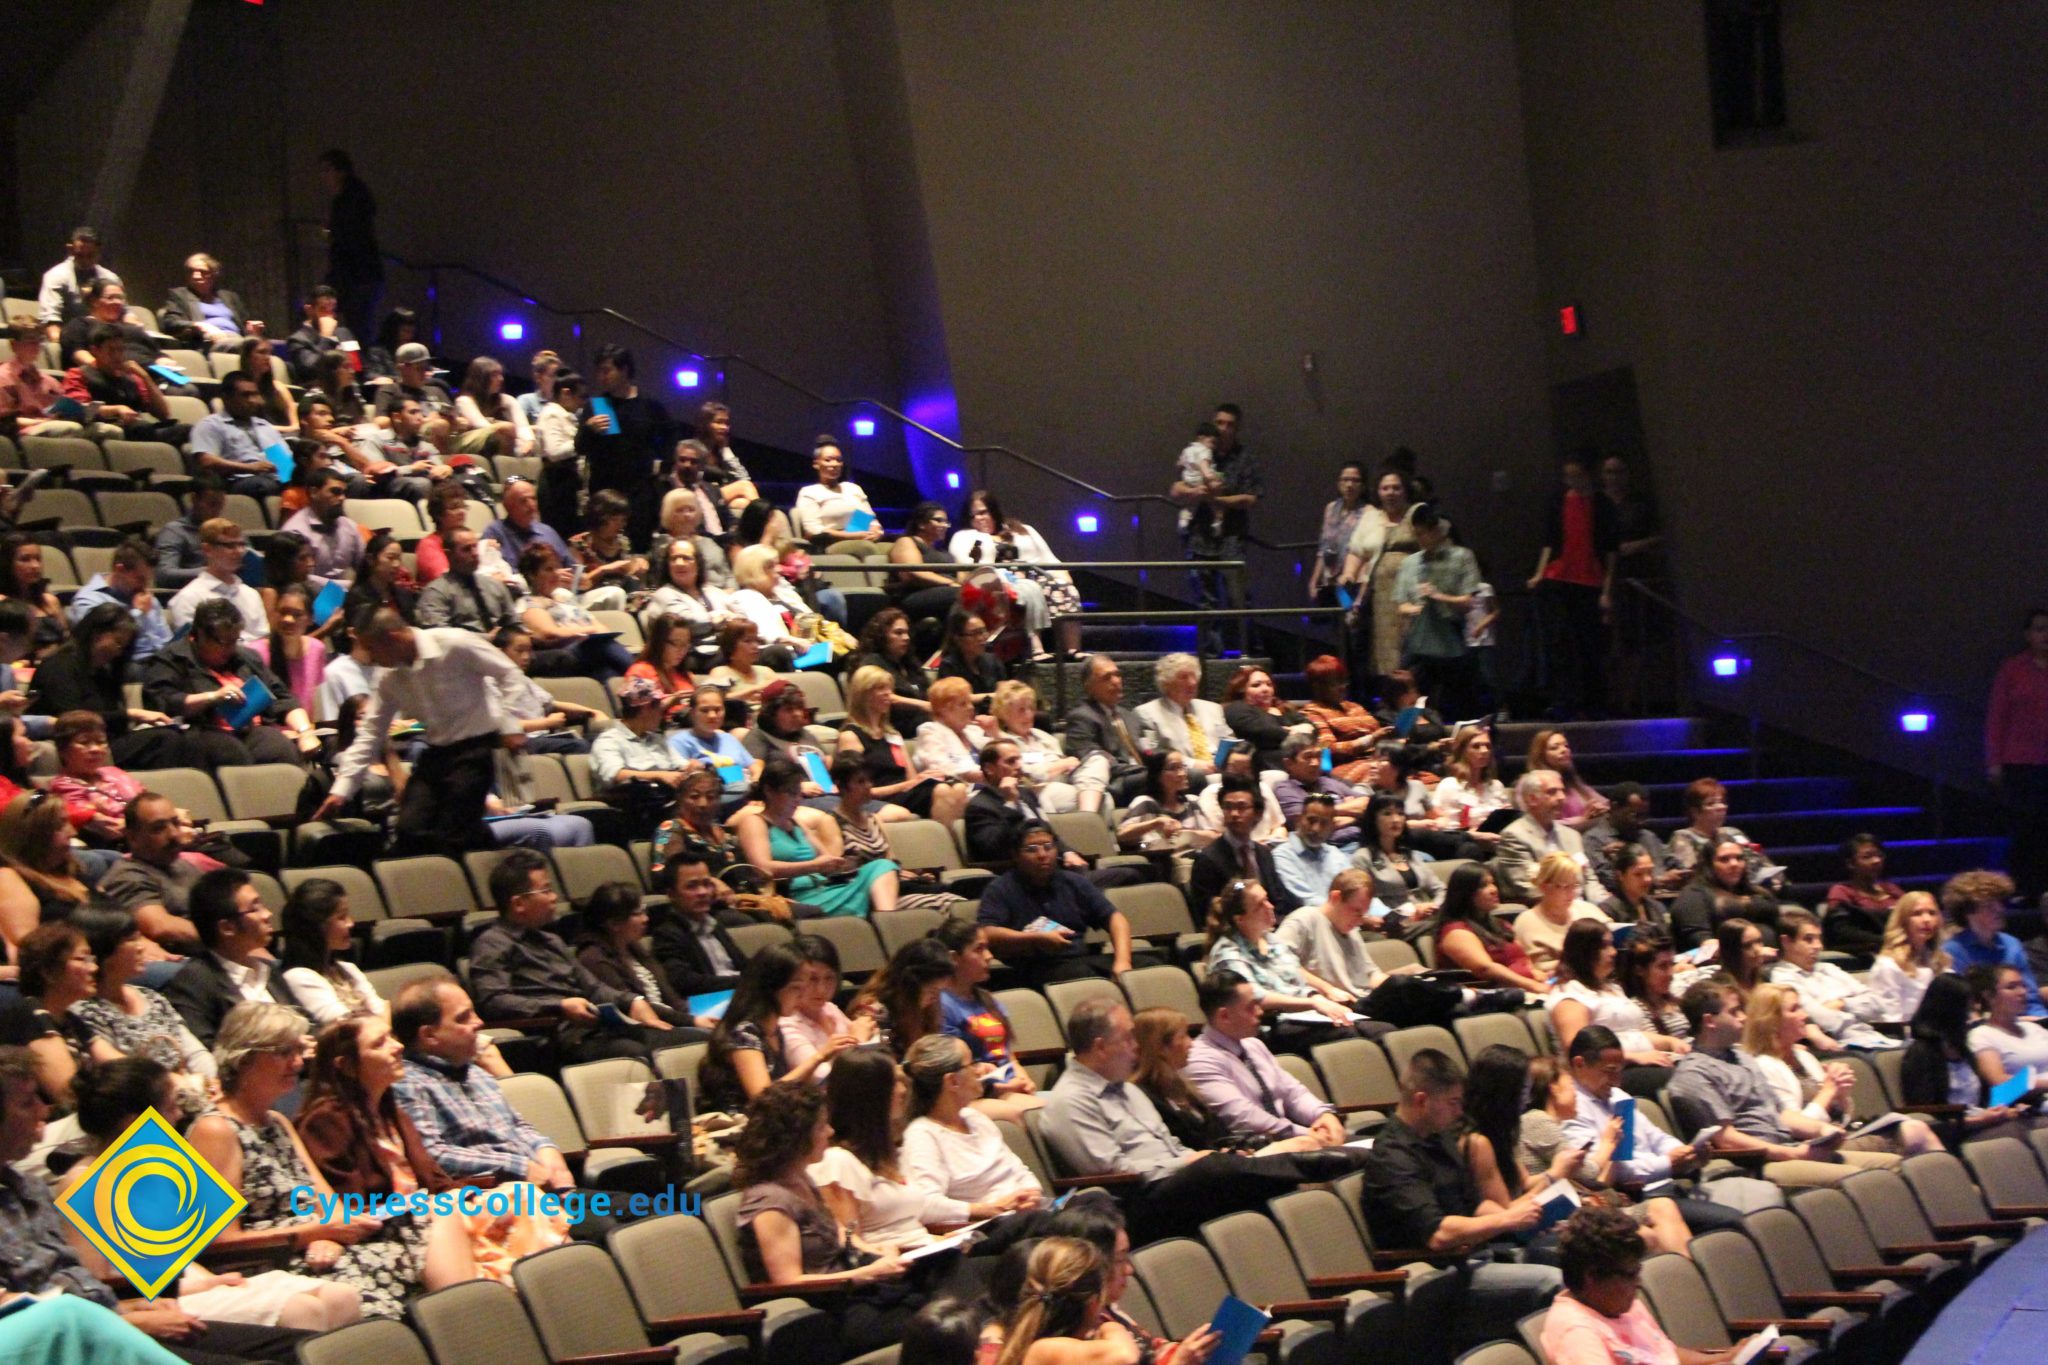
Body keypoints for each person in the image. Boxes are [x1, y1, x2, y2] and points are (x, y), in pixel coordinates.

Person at [185, 1001, 431, 1323]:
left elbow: (330, 1206)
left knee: (429, 1236)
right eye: (284, 1052)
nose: (298, 1062)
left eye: (298, 1050)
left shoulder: (277, 1122)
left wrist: (330, 1235)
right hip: (269, 1264)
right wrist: (314, 1233)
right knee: (381, 1293)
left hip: (315, 1250)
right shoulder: (215, 1130)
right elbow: (218, 1242)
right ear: (245, 1059)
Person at [1042, 997, 1343, 1244]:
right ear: (1100, 1047)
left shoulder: (1128, 1089)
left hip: (1176, 1182)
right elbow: (1111, 1172)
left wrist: (1193, 1159)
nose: (1136, 1045)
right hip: (1135, 1202)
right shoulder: (1069, 1101)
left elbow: (1171, 1145)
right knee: (1218, 1168)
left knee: (1231, 1169)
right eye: (1127, 1038)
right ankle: (1318, 1165)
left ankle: (1312, 1173)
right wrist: (1188, 1163)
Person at [299, 1015, 567, 1287]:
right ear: (346, 1066)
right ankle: (526, 1289)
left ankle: (547, 1287)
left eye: (392, 1037)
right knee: (513, 1202)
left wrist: (466, 1195)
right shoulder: (327, 1120)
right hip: (397, 1225)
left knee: (521, 1194)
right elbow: (349, 1205)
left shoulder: (392, 1111)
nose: (397, 1046)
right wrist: (429, 1205)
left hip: (430, 1211)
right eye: (379, 1044)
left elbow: (436, 1181)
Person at [1358, 1048, 1561, 1360]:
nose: (1459, 1111)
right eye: (1453, 1103)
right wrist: (1508, 1220)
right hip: (1436, 1278)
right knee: (1552, 1283)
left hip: (1475, 1258)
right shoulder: (1393, 1157)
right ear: (1422, 1100)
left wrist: (1527, 1214)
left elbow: (1475, 1205)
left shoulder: (1441, 1139)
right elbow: (1438, 1233)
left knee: (1568, 1259)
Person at [314, 608, 535, 857]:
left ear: (394, 637)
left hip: (475, 750)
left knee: (453, 835)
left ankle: (488, 871)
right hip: (436, 753)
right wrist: (341, 790)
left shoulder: (455, 643)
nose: (371, 657)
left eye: (372, 648)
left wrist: (508, 725)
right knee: (409, 830)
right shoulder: (388, 677)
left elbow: (510, 675)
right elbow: (370, 734)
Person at [734, 1082, 919, 1356]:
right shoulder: (769, 1201)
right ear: (797, 1137)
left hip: (854, 1296)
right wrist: (869, 1273)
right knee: (936, 1321)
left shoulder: (801, 1177)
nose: (830, 1133)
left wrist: (875, 1252)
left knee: (948, 1275)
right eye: (821, 1127)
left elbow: (840, 1233)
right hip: (825, 1317)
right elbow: (788, 1282)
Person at [1464, 1044, 1693, 1259]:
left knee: (1662, 1208)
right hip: (1530, 1228)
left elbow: (1528, 1184)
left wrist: (1607, 1150)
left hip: (1548, 1213)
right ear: (1504, 1092)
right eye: (1522, 1089)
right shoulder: (1492, 1137)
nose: (1527, 1095)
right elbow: (1507, 1213)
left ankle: (1697, 1287)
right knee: (1646, 1235)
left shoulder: (1507, 1132)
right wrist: (1560, 1172)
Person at [1667, 983, 1898, 1188]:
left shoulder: (1740, 1057)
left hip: (1790, 1145)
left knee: (1896, 1167)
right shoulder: (1694, 1074)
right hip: (1758, 1164)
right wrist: (1793, 1153)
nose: (1744, 1017)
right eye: (1734, 1012)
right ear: (1710, 1021)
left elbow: (1782, 1114)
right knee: (1867, 1182)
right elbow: (1726, 1139)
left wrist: (1821, 1131)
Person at [469, 849, 679, 1064]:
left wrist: (632, 1000)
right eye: (546, 890)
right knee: (635, 1052)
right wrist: (559, 1006)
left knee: (690, 1039)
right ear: (518, 903)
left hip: (596, 1031)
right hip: (554, 1039)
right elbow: (494, 1001)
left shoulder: (552, 940)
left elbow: (593, 987)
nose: (554, 897)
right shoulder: (492, 944)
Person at [388, 973, 573, 1192]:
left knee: (620, 1208)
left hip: (535, 1188)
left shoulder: (476, 1073)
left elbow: (516, 1126)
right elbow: (434, 1155)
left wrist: (546, 1150)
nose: (479, 1022)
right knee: (607, 1221)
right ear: (429, 1035)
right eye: (463, 1017)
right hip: (489, 1199)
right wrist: (518, 1166)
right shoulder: (408, 1083)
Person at [1542, 1204, 1770, 1365]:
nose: (1638, 1283)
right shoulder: (1575, 1332)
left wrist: (1726, 1357)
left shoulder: (1615, 1304)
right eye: (1630, 1274)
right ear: (1592, 1276)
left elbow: (1665, 1354)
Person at [1744, 984, 1937, 1156]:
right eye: (1795, 1009)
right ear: (1772, 1021)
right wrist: (1829, 1091)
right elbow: (1794, 1127)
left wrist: (1841, 1094)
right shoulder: (1765, 1067)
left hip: (1841, 1134)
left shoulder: (1804, 1057)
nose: (1804, 1015)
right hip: (1812, 1147)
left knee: (1915, 1129)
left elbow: (1844, 1116)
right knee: (1915, 1132)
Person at [1185, 968, 1365, 1151]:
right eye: (1251, 1007)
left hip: (1297, 1140)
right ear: (1224, 1016)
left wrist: (1324, 1116)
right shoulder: (1200, 1060)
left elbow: (1292, 1092)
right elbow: (1244, 1117)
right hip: (1256, 1153)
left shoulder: (1253, 1045)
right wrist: (1307, 1134)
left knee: (1373, 1149)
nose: (1260, 1011)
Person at [1203, 879, 1378, 1050]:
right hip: (1272, 1026)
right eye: (1260, 905)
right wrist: (1313, 1003)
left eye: (1267, 899)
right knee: (1350, 1034)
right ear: (1240, 919)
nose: (1270, 907)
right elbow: (1256, 997)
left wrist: (1316, 995)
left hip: (1307, 1016)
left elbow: (1297, 977)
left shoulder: (1271, 941)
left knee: (1380, 1030)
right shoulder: (1227, 953)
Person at [144, 598, 318, 766]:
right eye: (223, 642)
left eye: (234, 640)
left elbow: (282, 698)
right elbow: (164, 703)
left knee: (282, 748)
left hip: (250, 732)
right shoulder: (170, 659)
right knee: (230, 752)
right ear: (199, 635)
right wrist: (213, 697)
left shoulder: (246, 658)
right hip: (201, 735)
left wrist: (305, 733)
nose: (230, 648)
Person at [979, 822, 1149, 988]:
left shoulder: (1073, 882)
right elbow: (987, 933)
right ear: (1015, 855)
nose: (1042, 854)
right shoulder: (1000, 888)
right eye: (1031, 849)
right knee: (1085, 979)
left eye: (1048, 846)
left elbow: (1115, 919)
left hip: (1080, 959)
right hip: (1034, 968)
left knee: (1147, 966)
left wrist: (1122, 962)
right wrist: (1034, 939)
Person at [161, 871, 309, 1047]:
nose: (268, 914)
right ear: (227, 927)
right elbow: (209, 1051)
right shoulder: (193, 983)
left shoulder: (270, 970)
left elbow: (307, 1024)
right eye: (255, 909)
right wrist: (286, 1047)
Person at [1547, 919, 1687, 1096]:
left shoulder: (1612, 988)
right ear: (1585, 952)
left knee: (1698, 1067)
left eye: (1612, 945)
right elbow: (1580, 1049)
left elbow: (1632, 1034)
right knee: (1684, 1079)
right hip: (1608, 1075)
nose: (1613, 953)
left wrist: (1670, 1042)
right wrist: (1635, 1057)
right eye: (1604, 946)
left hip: (1640, 1063)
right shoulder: (1570, 996)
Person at [1527, 452, 1618, 718]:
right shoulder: (1559, 500)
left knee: (1589, 645)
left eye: (1576, 476)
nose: (1571, 481)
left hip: (1589, 579)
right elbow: (1550, 540)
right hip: (1560, 576)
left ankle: (1593, 703)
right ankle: (1563, 701)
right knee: (1560, 643)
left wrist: (1607, 590)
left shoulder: (1601, 504)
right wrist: (1539, 573)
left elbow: (1611, 551)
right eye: (1568, 476)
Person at [1899, 973, 2038, 1142]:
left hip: (1982, 1123)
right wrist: (1980, 1119)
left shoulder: (1962, 1048)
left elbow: (1984, 1099)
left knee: (2028, 1125)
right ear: (1949, 1010)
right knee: (2017, 1134)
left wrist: (2004, 1109)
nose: (1972, 1016)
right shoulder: (1922, 1053)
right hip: (1953, 1134)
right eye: (1968, 1009)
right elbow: (1924, 1116)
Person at [951, 490, 1082, 656]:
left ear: (994, 510)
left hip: (1033, 573)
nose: (978, 518)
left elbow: (1049, 559)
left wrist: (1063, 577)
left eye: (983, 512)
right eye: (973, 516)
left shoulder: (1021, 530)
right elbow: (968, 568)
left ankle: (1073, 650)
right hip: (1001, 580)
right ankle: (1037, 649)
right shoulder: (966, 537)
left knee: (1065, 588)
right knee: (1028, 589)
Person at [841, 665, 971, 825]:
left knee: (958, 788)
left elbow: (912, 779)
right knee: (942, 790)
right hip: (879, 798)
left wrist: (925, 777)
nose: (889, 694)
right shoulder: (851, 736)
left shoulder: (893, 735)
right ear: (863, 694)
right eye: (881, 688)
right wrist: (908, 784)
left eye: (889, 688)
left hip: (905, 792)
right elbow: (855, 791)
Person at [1, 923, 104, 1112]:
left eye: (93, 959)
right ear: (48, 971)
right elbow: (70, 1097)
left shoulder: (70, 1019)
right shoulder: (30, 1014)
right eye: (82, 959)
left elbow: (113, 1060)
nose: (94, 968)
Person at [576, 345, 672, 546]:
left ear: (625, 370)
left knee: (638, 548)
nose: (601, 377)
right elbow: (580, 447)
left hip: (639, 495)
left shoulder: (648, 407)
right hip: (605, 493)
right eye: (599, 371)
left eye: (607, 370)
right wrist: (588, 429)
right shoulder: (599, 405)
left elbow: (671, 441)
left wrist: (661, 471)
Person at [93, 793, 209, 957]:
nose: (174, 834)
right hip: (185, 965)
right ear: (132, 837)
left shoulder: (182, 865)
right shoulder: (127, 876)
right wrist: (229, 934)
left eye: (175, 823)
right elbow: (161, 927)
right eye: (159, 828)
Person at [1392, 504, 1481, 718]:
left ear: (1437, 531)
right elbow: (1401, 605)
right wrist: (1420, 608)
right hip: (1420, 637)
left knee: (1460, 701)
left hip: (1452, 636)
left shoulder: (1462, 557)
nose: (1419, 539)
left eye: (1422, 533)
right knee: (1407, 693)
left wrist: (1438, 596)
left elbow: (1468, 602)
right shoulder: (1411, 562)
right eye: (1416, 533)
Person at [1766, 909, 1896, 1049]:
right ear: (1786, 942)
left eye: (1819, 938)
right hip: (1841, 1046)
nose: (1818, 946)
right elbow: (1819, 1018)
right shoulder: (1782, 978)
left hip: (1874, 1038)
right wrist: (1857, 1008)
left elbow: (1877, 1004)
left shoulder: (1829, 968)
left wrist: (1842, 1003)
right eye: (1808, 939)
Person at [1337, 465, 1419, 679]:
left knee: (1411, 649)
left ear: (1405, 490)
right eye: (1385, 488)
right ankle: (1388, 703)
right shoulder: (1371, 518)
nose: (1390, 493)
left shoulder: (1416, 514)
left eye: (1396, 488)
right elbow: (1356, 551)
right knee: (1382, 651)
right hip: (1378, 596)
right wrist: (1348, 574)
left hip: (1412, 594)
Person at [1988, 609, 2048, 899]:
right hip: (2020, 761)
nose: (2045, 636)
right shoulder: (2013, 669)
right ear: (2028, 635)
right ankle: (2024, 888)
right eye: (2040, 629)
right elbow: (1997, 717)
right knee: (2025, 828)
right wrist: (1994, 760)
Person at [1187, 777, 1302, 918]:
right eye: (1228, 807)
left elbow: (1279, 900)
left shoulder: (1264, 853)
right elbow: (1207, 913)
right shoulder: (1208, 860)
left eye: (1241, 807)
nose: (1234, 814)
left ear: (1258, 814)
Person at [276, 878, 385, 1026]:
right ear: (317, 927)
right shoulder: (299, 977)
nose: (350, 923)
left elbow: (382, 1009)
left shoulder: (348, 968)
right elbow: (349, 1027)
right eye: (341, 917)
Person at [1936, 869, 2045, 1013]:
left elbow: (2031, 999)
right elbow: (1961, 1006)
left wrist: (2041, 1021)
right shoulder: (1952, 951)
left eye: (1999, 903)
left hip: (2022, 1022)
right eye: (1989, 906)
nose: (2000, 909)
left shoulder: (2012, 944)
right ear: (1968, 913)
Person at [1434, 863, 1550, 995]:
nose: (1494, 889)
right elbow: (1485, 969)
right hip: (1496, 996)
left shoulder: (1500, 924)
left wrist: (1539, 975)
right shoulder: (1456, 932)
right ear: (1465, 893)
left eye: (1493, 883)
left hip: (1524, 988)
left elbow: (1522, 958)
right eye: (1484, 885)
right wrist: (1533, 986)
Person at [62, 323, 187, 444]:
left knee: (188, 430)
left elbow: (163, 413)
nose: (117, 356)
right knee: (143, 428)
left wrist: (145, 376)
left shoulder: (132, 378)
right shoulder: (79, 374)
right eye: (111, 350)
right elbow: (80, 409)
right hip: (108, 430)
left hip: (140, 429)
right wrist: (117, 409)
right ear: (95, 351)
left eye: (120, 350)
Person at [1062, 656, 1155, 814]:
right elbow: (1089, 760)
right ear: (1089, 687)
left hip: (1139, 773)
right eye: (1107, 677)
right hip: (1115, 782)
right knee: (1159, 779)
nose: (1116, 681)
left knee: (1190, 775)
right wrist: (1137, 770)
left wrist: (1162, 762)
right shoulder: (1080, 717)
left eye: (1117, 675)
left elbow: (1146, 749)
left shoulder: (1129, 716)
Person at [66, 537, 171, 662]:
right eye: (140, 579)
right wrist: (137, 612)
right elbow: (101, 646)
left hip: (161, 662)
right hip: (124, 665)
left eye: (148, 580)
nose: (145, 586)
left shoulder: (145, 598)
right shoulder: (88, 599)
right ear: (119, 569)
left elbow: (166, 640)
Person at [165, 517, 269, 643]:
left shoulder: (251, 594)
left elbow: (263, 640)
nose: (239, 551)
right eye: (230, 545)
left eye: (241, 544)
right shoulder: (187, 598)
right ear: (207, 550)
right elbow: (193, 648)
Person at [1669, 837, 1781, 952]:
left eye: (1739, 858)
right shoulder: (1693, 895)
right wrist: (1756, 952)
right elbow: (1704, 942)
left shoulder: (1756, 892)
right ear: (1709, 865)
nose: (1734, 864)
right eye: (1724, 859)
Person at [1514, 854, 1613, 981]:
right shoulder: (1526, 922)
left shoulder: (1586, 909)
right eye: (1565, 886)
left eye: (1574, 885)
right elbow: (1533, 969)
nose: (1572, 893)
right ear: (1544, 886)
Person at [1664, 779, 1776, 889]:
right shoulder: (1683, 837)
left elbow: (1763, 862)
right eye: (1711, 803)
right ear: (1695, 812)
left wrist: (1775, 879)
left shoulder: (1734, 833)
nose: (1721, 807)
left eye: (1722, 802)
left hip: (1749, 889)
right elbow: (1694, 874)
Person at [1353, 793, 1445, 921]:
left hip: (1427, 914)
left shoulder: (1409, 854)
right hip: (1396, 921)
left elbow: (1440, 888)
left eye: (1400, 814)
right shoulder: (1362, 857)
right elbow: (1365, 902)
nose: (1396, 820)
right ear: (1373, 819)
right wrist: (1412, 912)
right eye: (1387, 813)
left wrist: (1435, 907)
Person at [318, 151, 381, 338]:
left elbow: (349, 238)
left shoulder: (349, 200)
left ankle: (356, 365)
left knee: (357, 329)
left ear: (341, 172)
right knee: (357, 328)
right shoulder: (354, 197)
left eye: (327, 170)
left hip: (356, 275)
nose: (324, 176)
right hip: (361, 274)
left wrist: (330, 233)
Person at [1116, 748, 1218, 863]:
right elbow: (1122, 835)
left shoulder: (1191, 802)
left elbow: (1215, 836)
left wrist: (1187, 834)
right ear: (1158, 775)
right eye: (1174, 768)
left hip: (1194, 861)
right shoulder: (1145, 802)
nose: (1183, 773)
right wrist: (1156, 823)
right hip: (1160, 863)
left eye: (1183, 767)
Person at [641, 536, 733, 663]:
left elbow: (736, 617)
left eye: (686, 558)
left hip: (718, 650)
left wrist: (727, 618)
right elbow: (688, 623)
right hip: (688, 657)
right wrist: (716, 619)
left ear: (698, 564)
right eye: (674, 559)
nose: (679, 563)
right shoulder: (663, 594)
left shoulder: (711, 591)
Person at [415, 528, 520, 635]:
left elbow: (514, 623)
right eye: (466, 549)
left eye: (475, 547)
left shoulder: (494, 585)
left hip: (505, 647)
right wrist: (487, 638)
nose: (475, 553)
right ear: (448, 555)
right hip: (465, 649)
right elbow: (441, 636)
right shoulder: (435, 593)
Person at [1968, 963, 2048, 1103]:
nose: (2022, 992)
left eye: (2023, 985)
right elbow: (2000, 1083)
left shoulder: (2034, 1028)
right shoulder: (1981, 1035)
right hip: (2028, 1108)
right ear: (1989, 996)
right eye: (2012, 987)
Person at [1866, 892, 1948, 1022]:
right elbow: (1890, 1019)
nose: (1927, 919)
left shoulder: (1939, 960)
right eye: (1917, 913)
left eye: (1932, 913)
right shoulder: (1888, 965)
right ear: (1903, 920)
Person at [1822, 834, 1904, 957]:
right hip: (1871, 951)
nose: (1877, 860)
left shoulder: (1892, 889)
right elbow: (1841, 931)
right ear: (1851, 863)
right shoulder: (1842, 892)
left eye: (1879, 855)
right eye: (1867, 857)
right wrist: (1885, 940)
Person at [0, 319, 84, 439]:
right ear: (14, 345)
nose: (36, 345)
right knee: (70, 429)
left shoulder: (50, 381)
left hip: (52, 426)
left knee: (105, 431)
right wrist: (41, 422)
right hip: (23, 434)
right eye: (30, 340)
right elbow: (4, 422)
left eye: (39, 340)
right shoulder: (3, 377)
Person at [159, 251, 259, 350]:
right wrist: (200, 326)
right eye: (191, 271)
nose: (196, 276)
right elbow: (170, 323)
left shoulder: (229, 297)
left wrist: (252, 330)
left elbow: (245, 324)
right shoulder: (179, 295)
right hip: (206, 341)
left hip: (236, 338)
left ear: (213, 273)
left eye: (202, 272)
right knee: (252, 348)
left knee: (271, 346)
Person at [793, 433, 883, 543]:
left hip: (861, 537)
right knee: (864, 548)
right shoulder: (810, 492)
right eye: (828, 460)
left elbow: (869, 520)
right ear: (816, 464)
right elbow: (813, 530)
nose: (835, 464)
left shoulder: (852, 488)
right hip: (831, 542)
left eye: (838, 460)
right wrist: (849, 536)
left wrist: (875, 530)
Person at [1218, 666, 1309, 773]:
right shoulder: (1236, 708)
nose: (1265, 689)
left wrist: (1292, 731)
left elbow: (1312, 727)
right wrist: (1296, 731)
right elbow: (1266, 733)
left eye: (1269, 684)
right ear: (1241, 690)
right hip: (1264, 767)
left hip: (1300, 762)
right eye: (1256, 685)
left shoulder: (1284, 707)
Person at [279, 469, 365, 582]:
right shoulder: (294, 531)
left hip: (344, 593)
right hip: (307, 595)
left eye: (344, 493)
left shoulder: (349, 526)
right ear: (314, 493)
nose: (342, 498)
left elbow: (365, 567)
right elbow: (297, 579)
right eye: (335, 492)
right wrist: (341, 587)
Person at [1270, 792, 1355, 906]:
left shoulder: (1335, 854)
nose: (1316, 829)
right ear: (1299, 819)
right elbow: (1307, 901)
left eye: (1324, 823)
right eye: (1311, 820)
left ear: (1332, 826)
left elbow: (1355, 889)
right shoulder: (1282, 856)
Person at [888, 501, 964, 623]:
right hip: (916, 594)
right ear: (921, 524)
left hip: (948, 592)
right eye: (939, 520)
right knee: (964, 596)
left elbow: (961, 576)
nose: (944, 525)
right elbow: (913, 573)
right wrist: (950, 583)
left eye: (946, 522)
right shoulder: (907, 541)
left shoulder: (942, 550)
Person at [37, 225, 119, 337]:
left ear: (99, 252)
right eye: (80, 255)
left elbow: (125, 313)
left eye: (90, 256)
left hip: (109, 339)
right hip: (71, 338)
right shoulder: (56, 276)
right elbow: (51, 320)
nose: (85, 261)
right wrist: (59, 341)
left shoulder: (111, 278)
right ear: (70, 250)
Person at [451, 356, 533, 457]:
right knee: (503, 435)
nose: (501, 379)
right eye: (494, 375)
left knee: (530, 443)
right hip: (474, 445)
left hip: (498, 442)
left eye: (500, 374)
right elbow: (483, 426)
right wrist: (502, 425)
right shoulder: (464, 401)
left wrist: (528, 441)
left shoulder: (507, 399)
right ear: (480, 378)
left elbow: (522, 426)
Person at [283, 285, 356, 384]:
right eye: (324, 309)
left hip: (349, 388)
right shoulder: (297, 339)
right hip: (319, 390)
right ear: (309, 310)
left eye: (332, 310)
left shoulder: (344, 333)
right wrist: (326, 337)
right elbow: (311, 370)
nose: (330, 315)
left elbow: (356, 365)